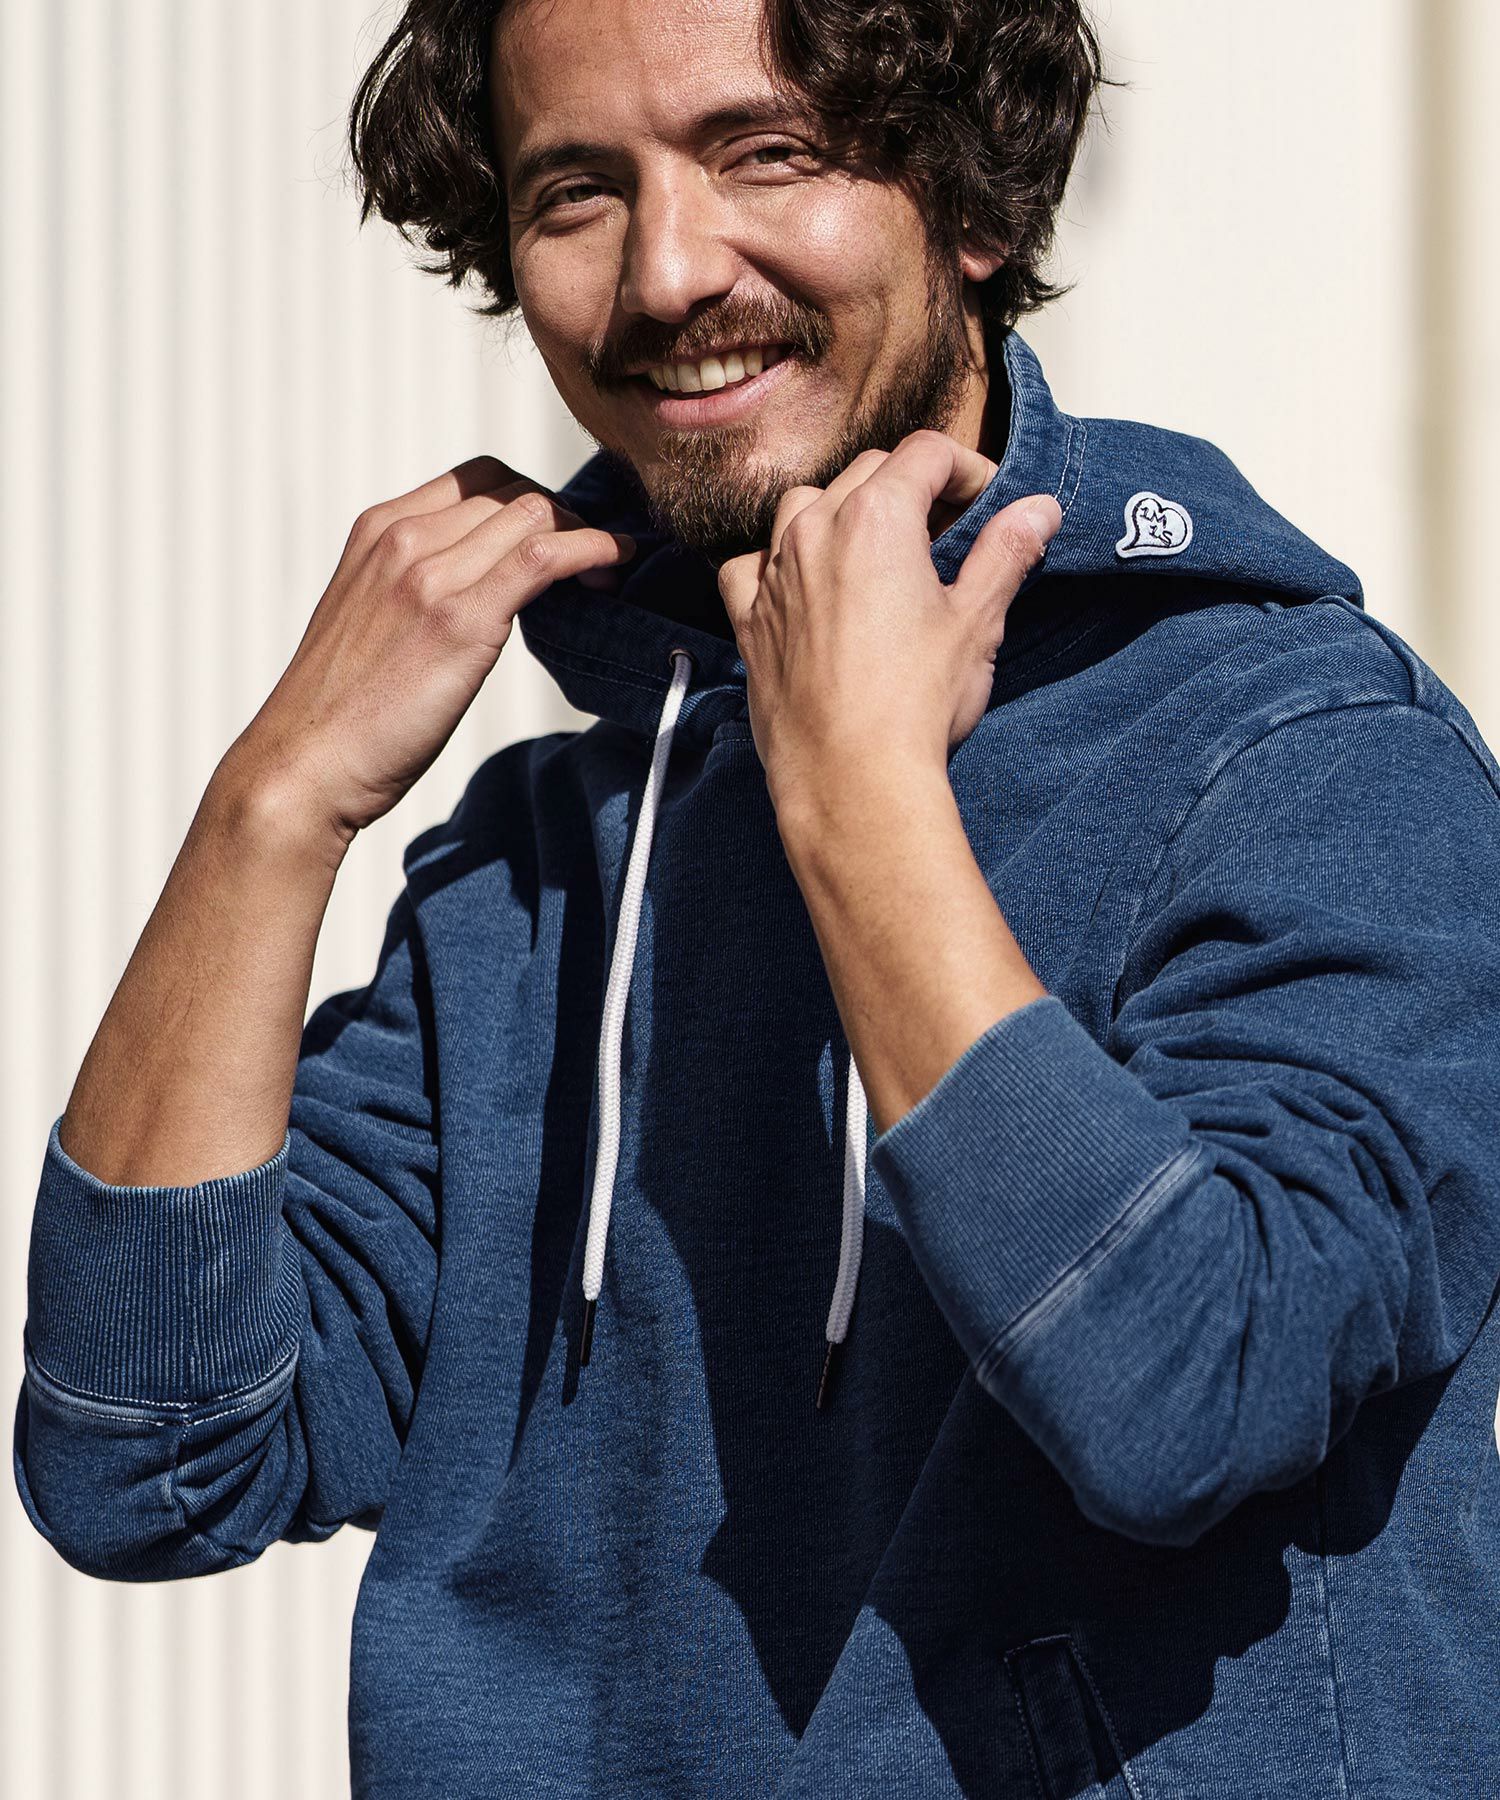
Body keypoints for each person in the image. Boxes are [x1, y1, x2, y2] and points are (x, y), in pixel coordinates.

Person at [14, 0, 1500, 1792]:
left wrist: (864, 811)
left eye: (766, 155)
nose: (665, 273)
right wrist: (273, 807)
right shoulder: (533, 867)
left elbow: (1188, 1391)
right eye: (576, 191)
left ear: (975, 198)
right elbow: (145, 1456)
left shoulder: (1304, 755)